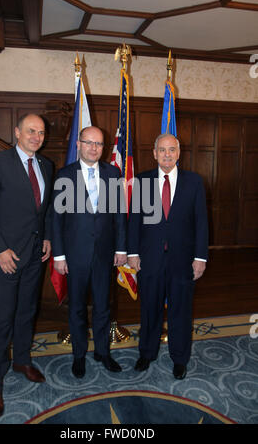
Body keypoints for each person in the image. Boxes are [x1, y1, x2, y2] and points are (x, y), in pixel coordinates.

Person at [0, 113, 53, 417]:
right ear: (17, 132)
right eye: (31, 131)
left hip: (35, 255)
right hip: (8, 258)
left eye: (41, 132)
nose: (36, 136)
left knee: (27, 312)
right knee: (2, 320)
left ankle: (22, 360)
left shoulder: (47, 165)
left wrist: (47, 238)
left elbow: (44, 210)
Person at [127, 133, 208, 379]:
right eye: (162, 150)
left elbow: (202, 223)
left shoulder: (194, 182)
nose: (167, 154)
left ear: (179, 152)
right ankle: (147, 353)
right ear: (154, 153)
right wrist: (132, 252)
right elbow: (134, 222)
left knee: (180, 311)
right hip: (150, 259)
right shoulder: (141, 181)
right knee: (149, 309)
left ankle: (180, 358)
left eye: (171, 149)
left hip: (182, 261)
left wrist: (200, 257)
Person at [52, 126, 127, 378]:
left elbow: (119, 216)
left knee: (104, 306)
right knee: (77, 308)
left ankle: (103, 352)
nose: (94, 148)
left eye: (99, 144)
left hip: (105, 254)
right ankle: (79, 355)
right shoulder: (64, 175)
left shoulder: (113, 173)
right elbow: (56, 219)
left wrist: (121, 247)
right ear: (79, 144)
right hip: (75, 255)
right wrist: (60, 256)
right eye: (89, 143)